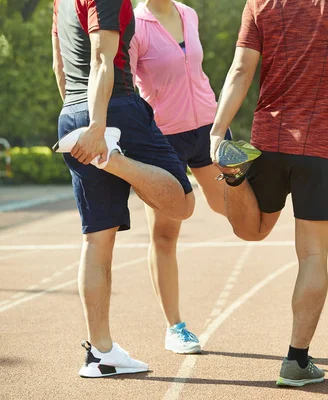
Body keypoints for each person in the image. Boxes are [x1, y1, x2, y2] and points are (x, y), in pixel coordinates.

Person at [209, 0, 328, 387]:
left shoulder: (260, 2)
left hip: (271, 138)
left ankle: (233, 178)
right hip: (324, 147)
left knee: (252, 230)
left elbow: (242, 69)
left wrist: (216, 131)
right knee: (313, 255)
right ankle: (296, 361)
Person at [51, 0, 195, 377]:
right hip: (113, 111)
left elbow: (60, 67)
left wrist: (77, 118)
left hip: (72, 112)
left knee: (96, 240)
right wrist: (97, 128)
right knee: (182, 202)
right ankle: (111, 158)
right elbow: (102, 59)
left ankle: (100, 354)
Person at [129, 0, 232, 354]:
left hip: (207, 126)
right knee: (165, 232)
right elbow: (126, 88)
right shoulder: (135, 23)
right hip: (161, 137)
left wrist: (220, 121)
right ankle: (175, 327)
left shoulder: (189, 13)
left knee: (232, 206)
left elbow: (196, 72)